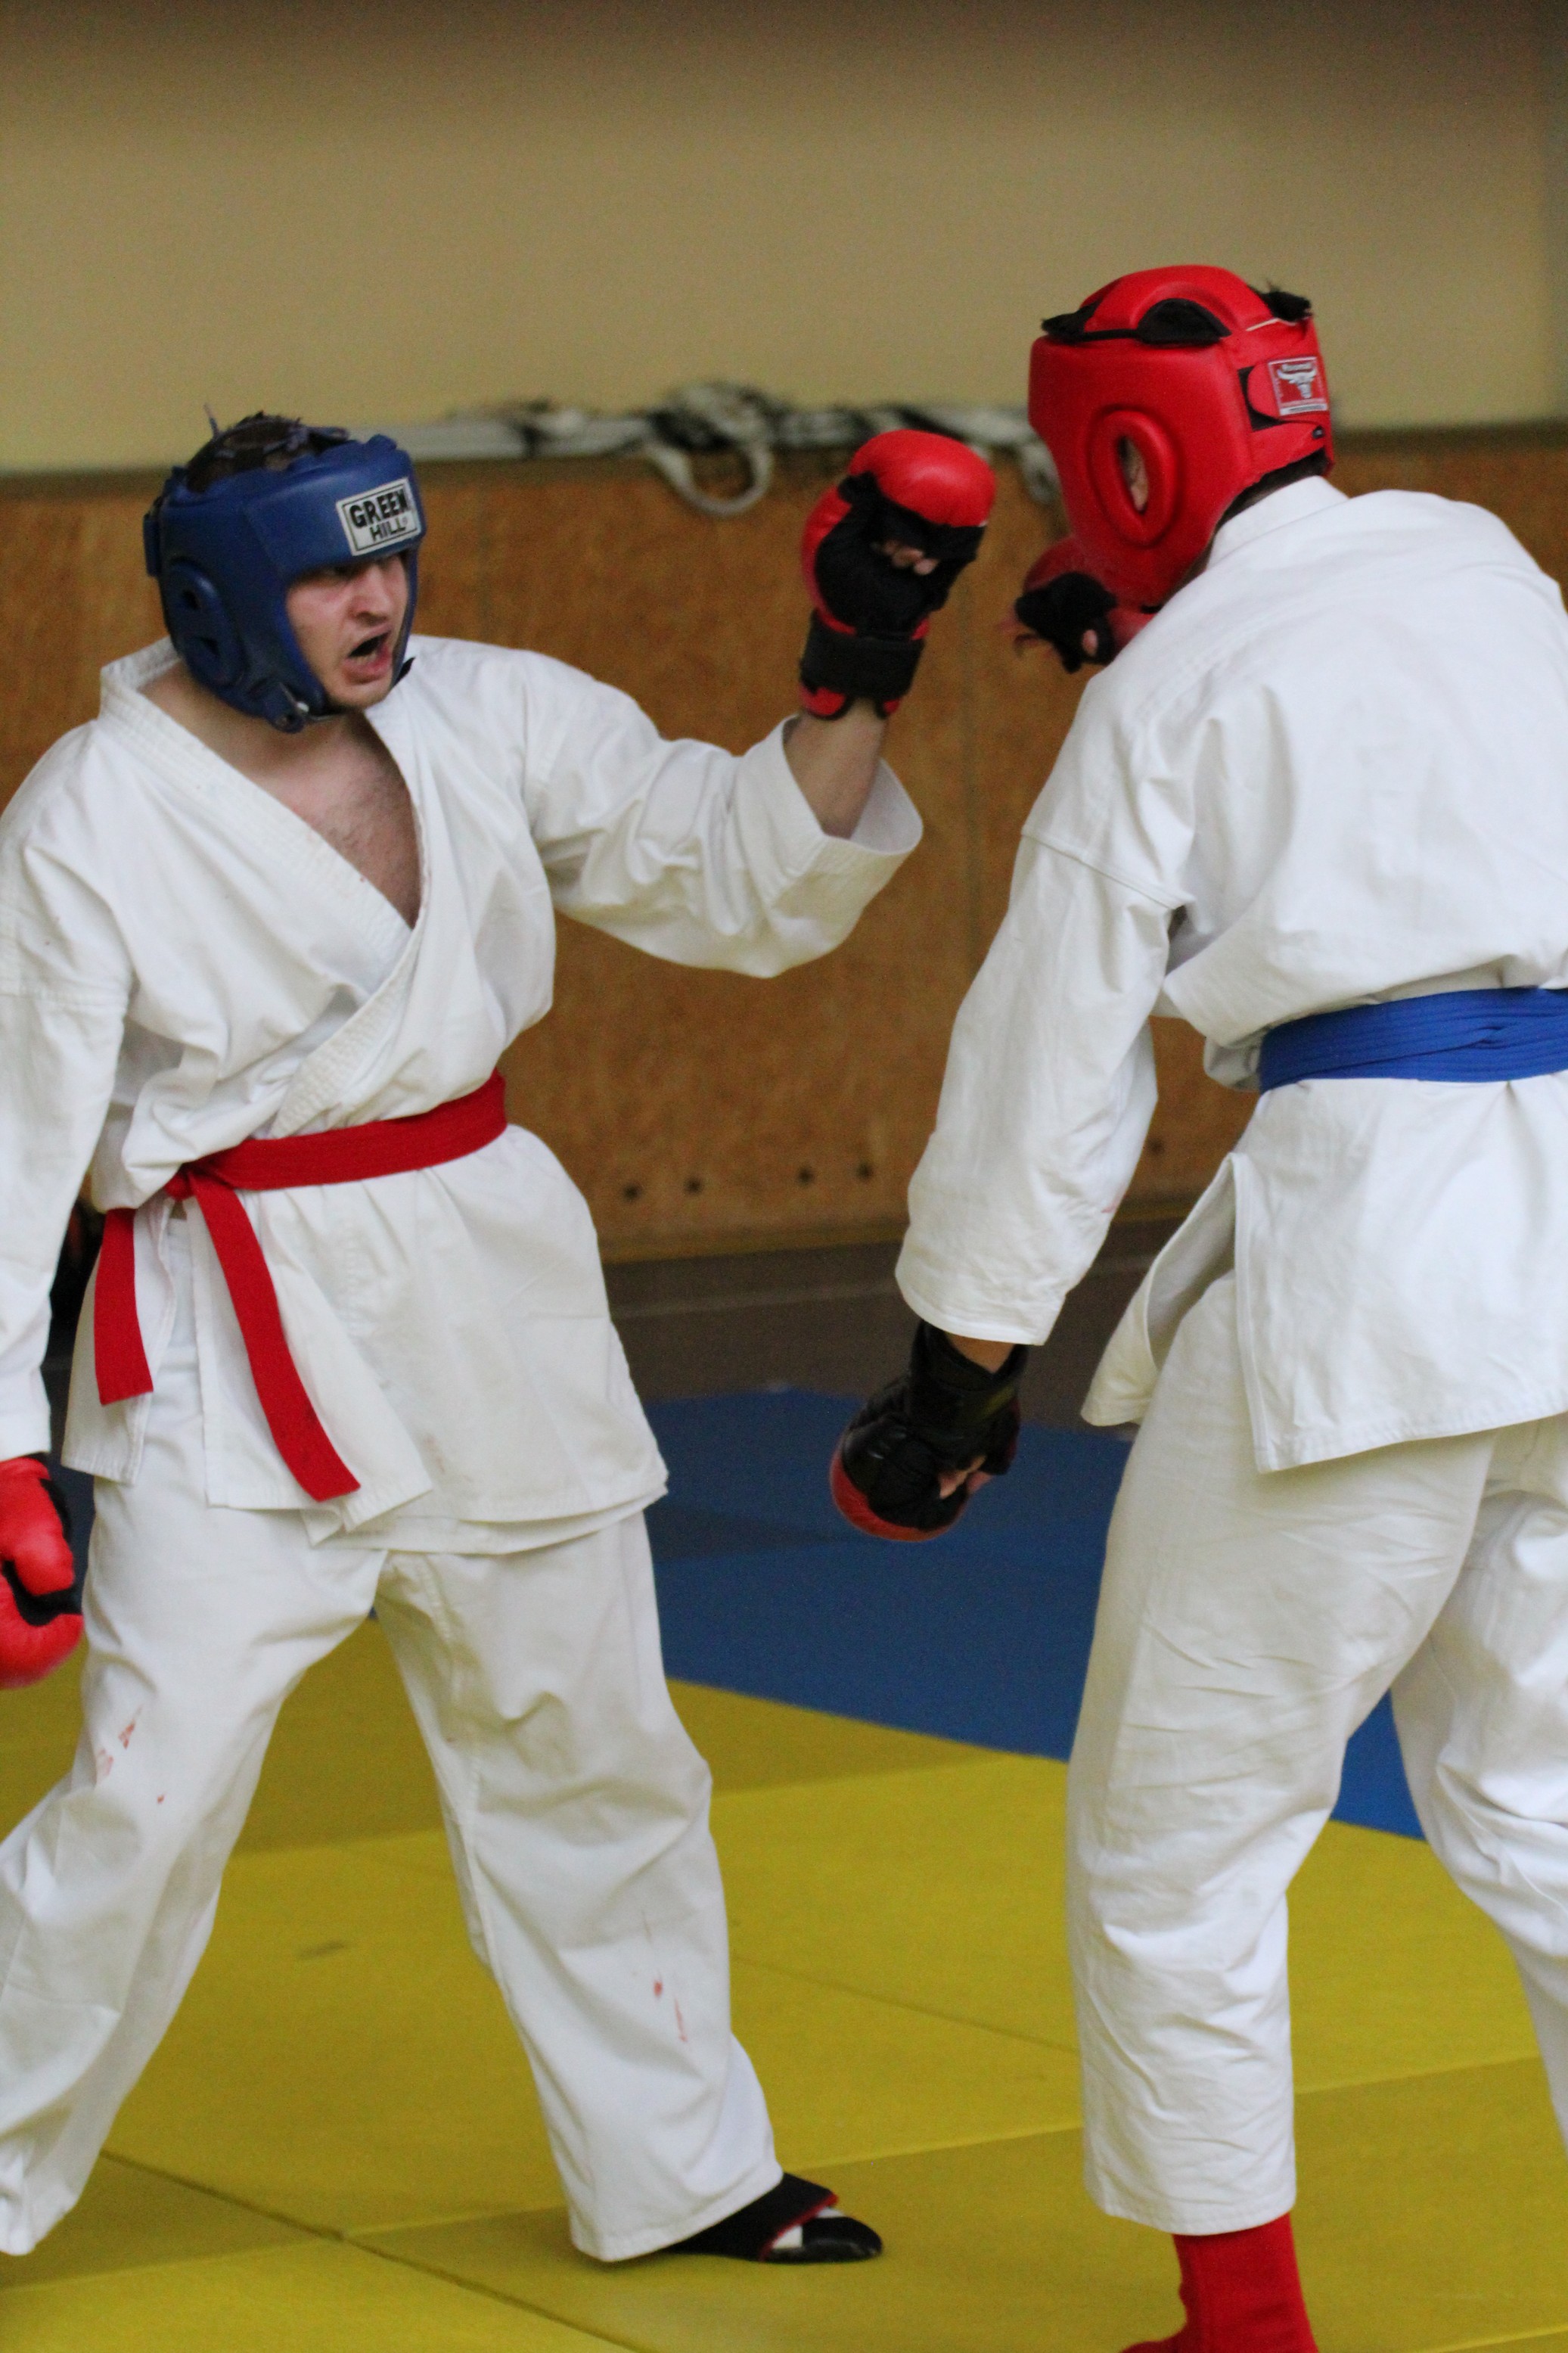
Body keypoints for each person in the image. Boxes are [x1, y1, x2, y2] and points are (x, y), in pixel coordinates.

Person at [0, 409, 994, 2261]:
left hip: (487, 1293)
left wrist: (854, 666)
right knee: (147, 1793)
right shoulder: (90, 815)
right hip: (232, 1328)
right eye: (331, 574)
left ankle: (681, 2166)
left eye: (393, 555)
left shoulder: (487, 708)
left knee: (592, 1752)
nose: (381, 599)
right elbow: (11, 1149)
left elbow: (738, 874)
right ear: (221, 599)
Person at [831, 264, 1568, 2353]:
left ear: (1131, 464)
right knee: (1547, 1809)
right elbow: (1381, 765)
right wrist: (1158, 630)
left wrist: (951, 1384)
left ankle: (1240, 2326)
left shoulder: (1159, 704)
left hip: (1372, 1274)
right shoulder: (1485, 567)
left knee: (1178, 1833)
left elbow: (1045, 1076)